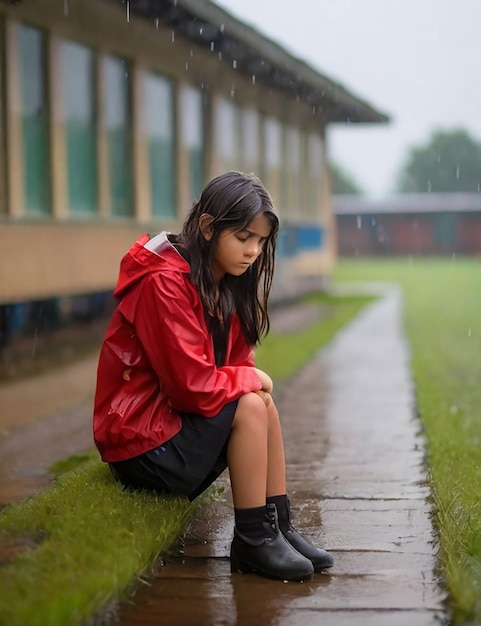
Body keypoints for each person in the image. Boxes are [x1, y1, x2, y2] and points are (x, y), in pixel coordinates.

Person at [93, 171, 333, 581]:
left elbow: (237, 365)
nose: (254, 251)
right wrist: (254, 380)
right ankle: (253, 540)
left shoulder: (225, 281)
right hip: (139, 442)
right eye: (243, 238)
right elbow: (193, 390)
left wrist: (253, 381)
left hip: (170, 426)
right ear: (207, 227)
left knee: (261, 403)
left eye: (260, 241)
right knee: (250, 403)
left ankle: (278, 527)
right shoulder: (164, 283)